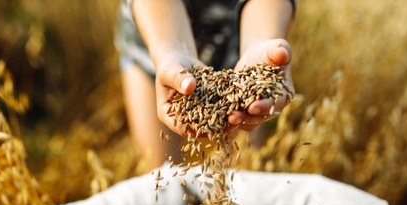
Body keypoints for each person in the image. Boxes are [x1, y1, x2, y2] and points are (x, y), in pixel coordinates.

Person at [116, 0, 295, 170]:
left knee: (247, 167)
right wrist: (172, 49)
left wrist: (262, 41)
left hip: (240, 52)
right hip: (155, 42)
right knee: (160, 173)